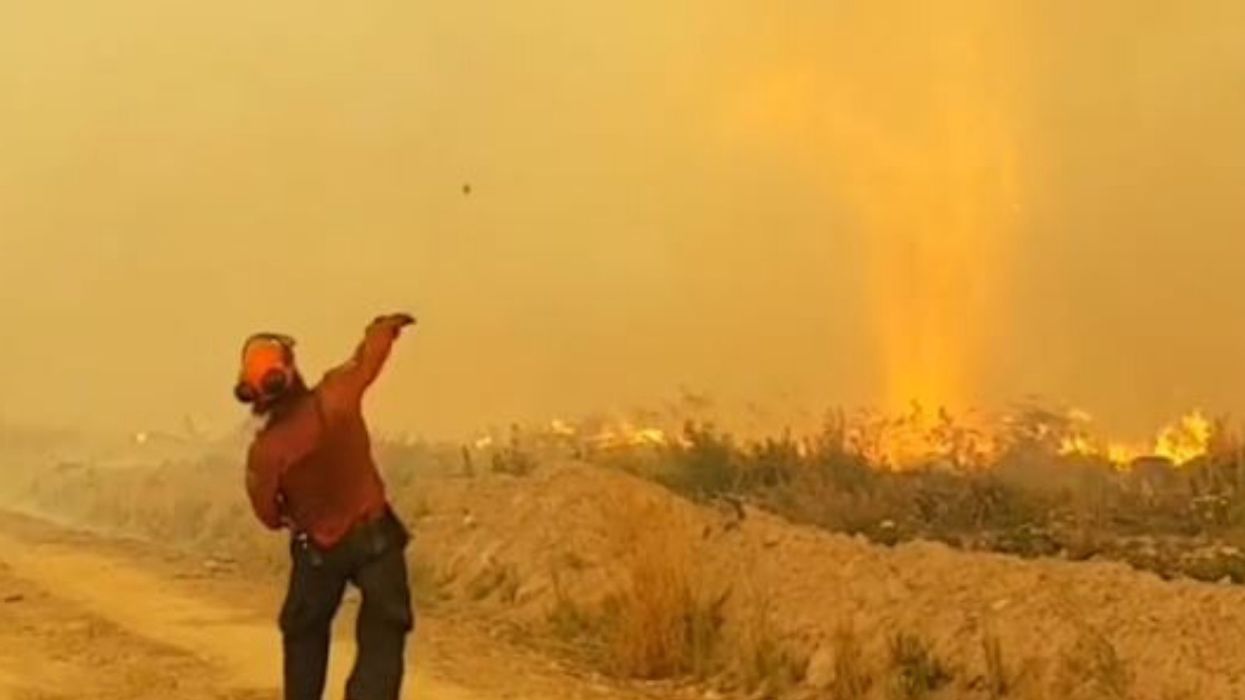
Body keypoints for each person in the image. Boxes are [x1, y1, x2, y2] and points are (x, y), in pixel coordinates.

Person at [235, 313, 417, 700]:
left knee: (303, 632)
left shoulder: (266, 452)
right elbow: (367, 360)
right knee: (386, 624)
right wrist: (384, 329)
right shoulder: (336, 396)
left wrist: (295, 518)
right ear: (289, 370)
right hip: (375, 535)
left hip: (316, 549)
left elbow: (267, 513)